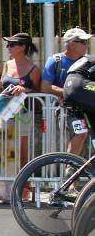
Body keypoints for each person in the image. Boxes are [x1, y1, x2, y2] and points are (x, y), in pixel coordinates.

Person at [42, 27, 92, 156]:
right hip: (69, 109)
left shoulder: (88, 61)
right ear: (72, 43)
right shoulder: (55, 61)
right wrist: (68, 93)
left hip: (89, 107)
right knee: (81, 133)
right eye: (83, 42)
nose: (87, 44)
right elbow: (45, 87)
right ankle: (70, 169)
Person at [0, 33, 41, 167]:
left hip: (23, 113)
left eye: (12, 44)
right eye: (8, 44)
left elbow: (40, 92)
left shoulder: (34, 69)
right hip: (5, 110)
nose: (8, 47)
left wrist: (25, 90)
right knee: (4, 147)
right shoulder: (7, 64)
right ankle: (8, 183)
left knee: (22, 149)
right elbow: (0, 88)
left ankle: (25, 185)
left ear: (23, 47)